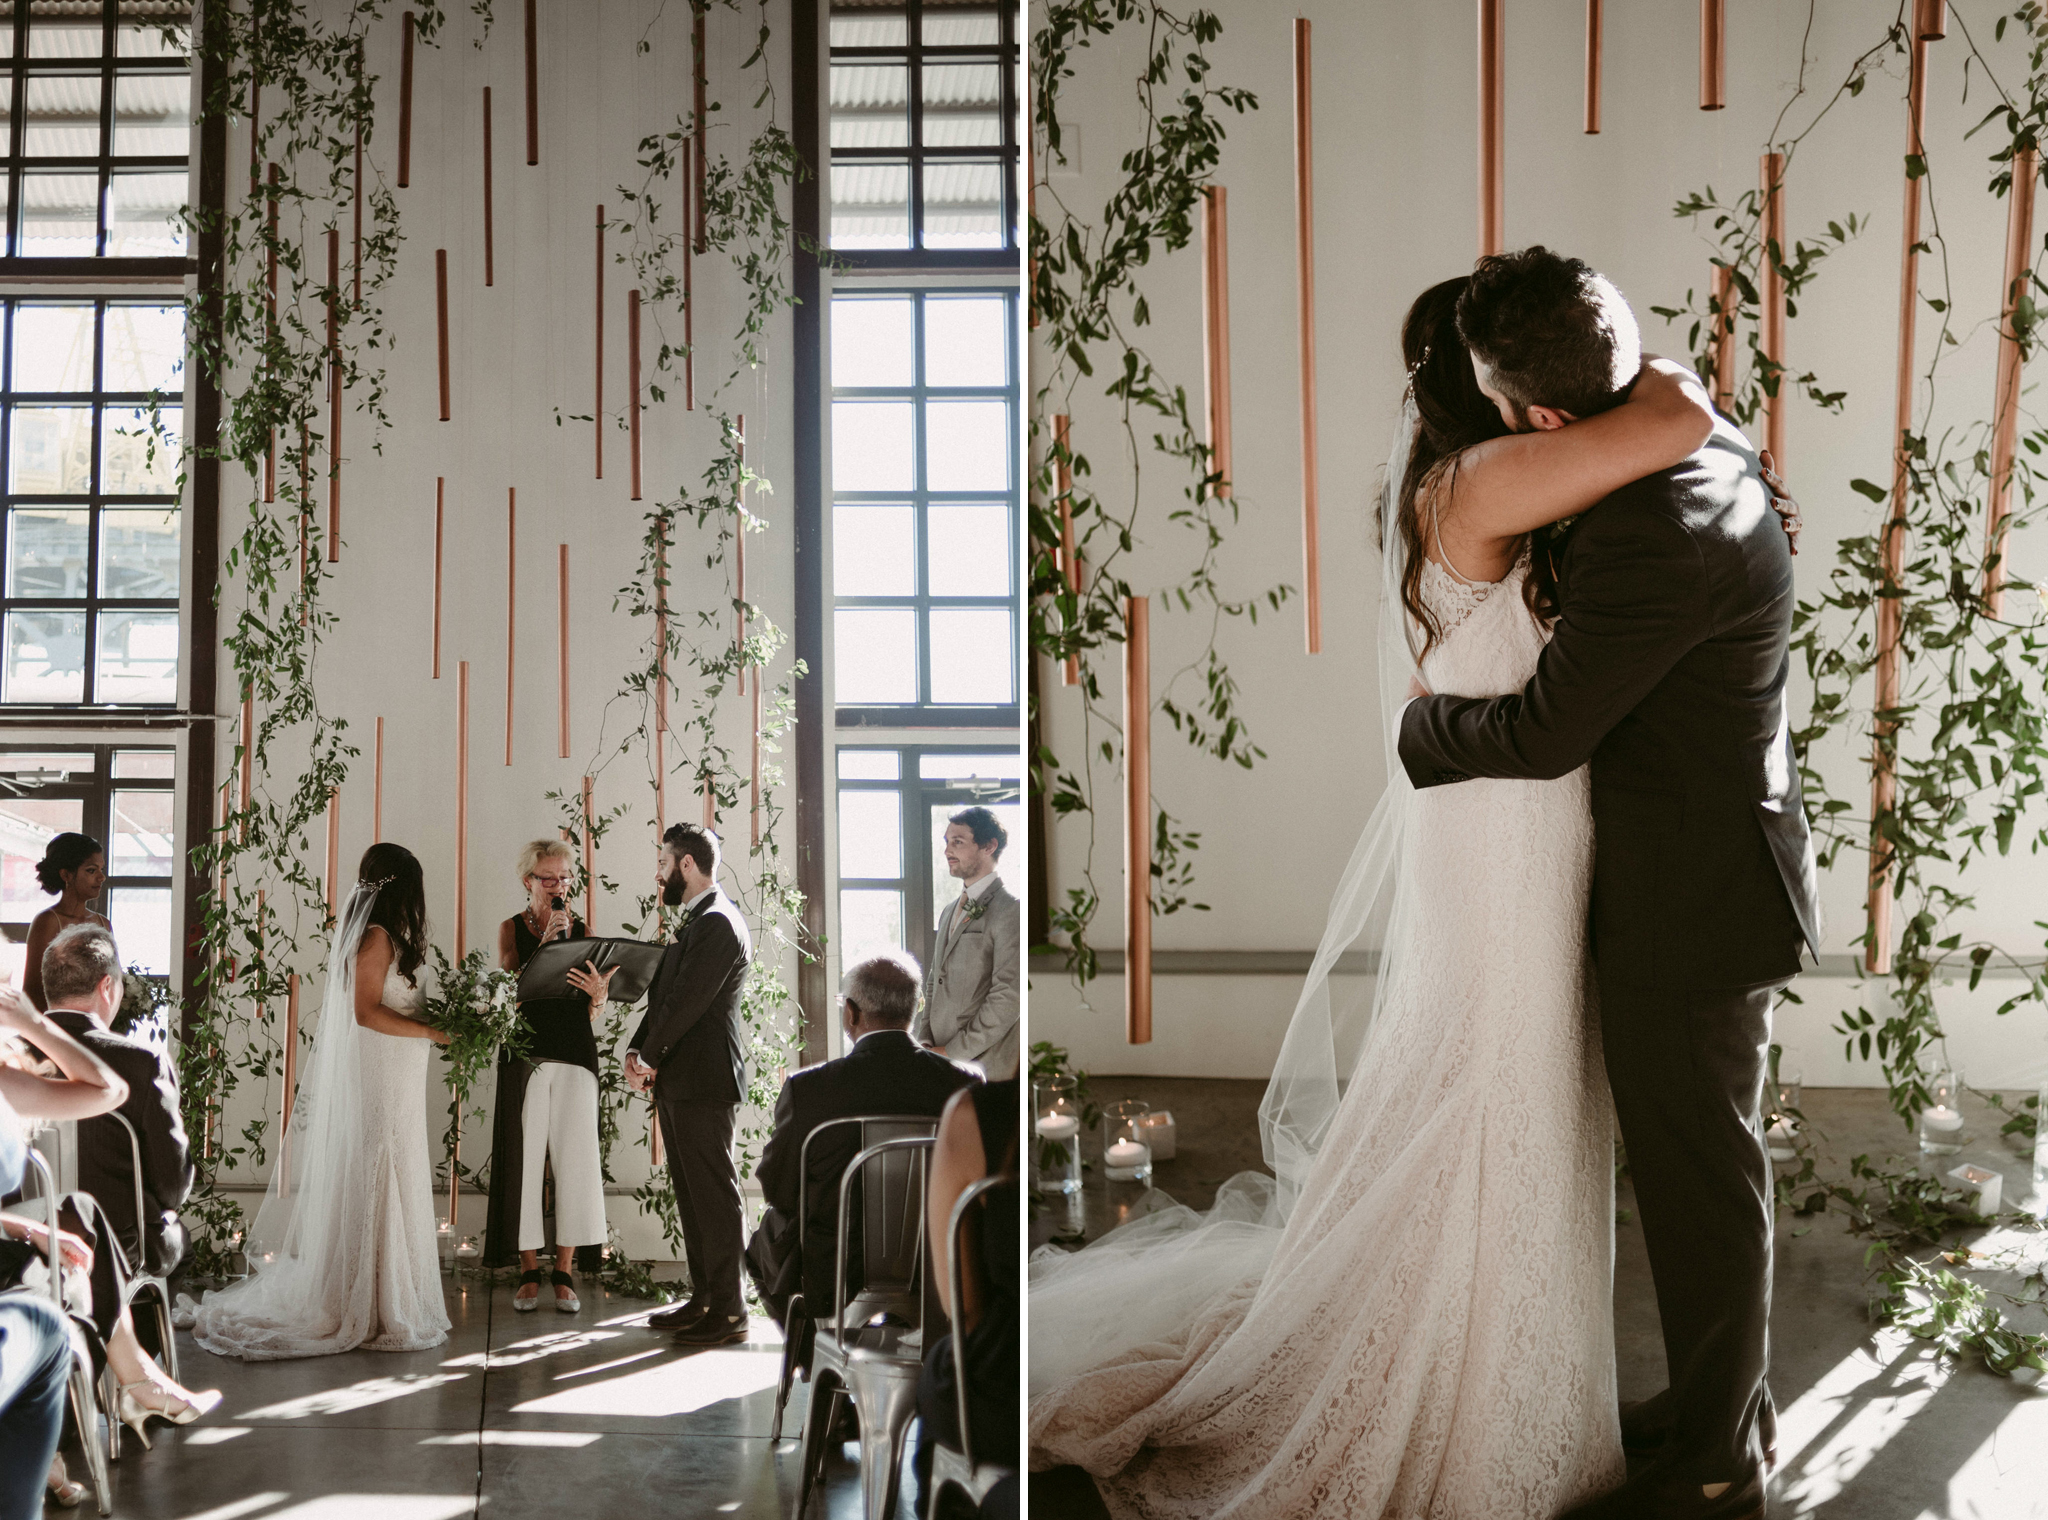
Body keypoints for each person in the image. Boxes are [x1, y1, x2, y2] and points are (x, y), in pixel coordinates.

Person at [1029, 262, 1806, 1520]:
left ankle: (1713, 1431)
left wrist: (1423, 730)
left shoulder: (1571, 469)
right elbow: (1664, 409)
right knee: (1501, 1086)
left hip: (1597, 847)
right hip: (1513, 838)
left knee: (1625, 1142)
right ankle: (1657, 1406)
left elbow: (1645, 451)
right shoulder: (1503, 476)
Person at [1400, 248, 1820, 1520]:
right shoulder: (1689, 440)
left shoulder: (1649, 530)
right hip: (1709, 860)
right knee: (1699, 1171)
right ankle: (1707, 1406)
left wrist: (1423, 735)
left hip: (1688, 900)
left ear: (1537, 417)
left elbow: (1538, 732)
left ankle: (1716, 1464)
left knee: (1699, 1186)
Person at [193, 843, 456, 1360]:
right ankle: (373, 1300)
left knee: (391, 1165)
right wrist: (430, 1029)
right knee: (380, 1165)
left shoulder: (384, 937)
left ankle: (386, 1294)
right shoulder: (377, 937)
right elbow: (364, 1012)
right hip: (381, 1071)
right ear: (403, 888)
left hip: (398, 1072)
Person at [30, 923, 217, 1445]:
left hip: (28, 1230)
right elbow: (174, 1184)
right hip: (120, 1244)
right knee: (175, 1236)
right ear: (107, 988)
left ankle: (77, 1392)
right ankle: (128, 1384)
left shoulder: (13, 1061)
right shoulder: (139, 1061)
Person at [756, 951, 979, 1341]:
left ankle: (823, 1360)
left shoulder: (808, 1089)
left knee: (762, 1245)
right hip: (938, 1271)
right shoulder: (965, 1085)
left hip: (834, 1271)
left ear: (852, 1014)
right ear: (915, 1009)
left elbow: (778, 1188)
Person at [624, 824, 754, 1346]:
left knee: (715, 1195)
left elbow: (689, 1003)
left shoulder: (720, 923)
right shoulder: (696, 921)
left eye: (663, 862)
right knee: (692, 1194)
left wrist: (650, 1056)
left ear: (685, 865)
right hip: (682, 1077)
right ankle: (704, 1296)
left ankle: (730, 1309)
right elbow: (663, 998)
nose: (657, 873)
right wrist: (637, 1051)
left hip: (706, 1078)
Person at [0, 983, 126, 1517]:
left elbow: (106, 1090)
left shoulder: (4, 1082)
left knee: (74, 1231)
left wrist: (33, 1025)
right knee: (49, 1325)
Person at [484, 840, 613, 1311]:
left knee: (576, 1160)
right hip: (527, 1053)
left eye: (564, 878)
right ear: (529, 882)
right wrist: (543, 944)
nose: (559, 887)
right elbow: (507, 991)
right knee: (526, 1160)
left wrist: (598, 995)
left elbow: (590, 1010)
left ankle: (565, 1270)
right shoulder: (510, 930)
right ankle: (528, 1271)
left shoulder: (583, 931)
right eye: (549, 879)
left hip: (576, 1052)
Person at [914, 1077, 1017, 1520]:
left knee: (941, 1372)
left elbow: (962, 1307)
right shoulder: (961, 1088)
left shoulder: (974, 1113)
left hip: (1002, 1383)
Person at [913, 808, 1021, 1079]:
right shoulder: (949, 910)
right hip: (938, 1061)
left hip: (985, 1068)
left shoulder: (1011, 911)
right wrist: (925, 1040)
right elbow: (933, 981)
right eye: (947, 842)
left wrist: (953, 1052)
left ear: (989, 846)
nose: (947, 850)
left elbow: (1007, 996)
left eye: (957, 842)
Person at [21, 834, 110, 1013]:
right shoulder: (47, 922)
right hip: (57, 1029)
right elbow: (32, 991)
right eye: (92, 870)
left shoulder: (103, 923)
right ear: (66, 874)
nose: (102, 877)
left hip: (97, 1029)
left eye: (101, 869)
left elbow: (111, 984)